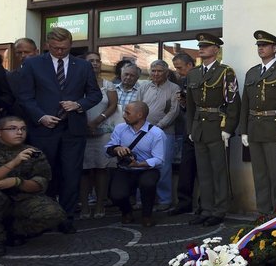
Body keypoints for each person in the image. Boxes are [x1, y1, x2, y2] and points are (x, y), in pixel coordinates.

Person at [14, 27, 102, 234]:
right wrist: (41, 116)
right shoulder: (33, 64)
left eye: (63, 48)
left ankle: (67, 218)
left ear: (70, 45)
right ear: (46, 45)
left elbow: (94, 95)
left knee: (71, 175)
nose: (60, 51)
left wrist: (78, 105)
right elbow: (25, 96)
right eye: (55, 48)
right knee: (45, 174)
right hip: (43, 129)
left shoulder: (82, 66)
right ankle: (45, 216)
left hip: (73, 130)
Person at [184, 33, 239, 227]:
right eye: (200, 45)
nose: (201, 48)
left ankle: (219, 209)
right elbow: (190, 105)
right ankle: (206, 208)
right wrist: (191, 127)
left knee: (218, 171)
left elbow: (233, 103)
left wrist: (228, 128)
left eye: (206, 46)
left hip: (217, 126)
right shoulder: (193, 74)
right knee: (204, 172)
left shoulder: (225, 72)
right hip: (199, 127)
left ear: (216, 49)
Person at [239, 30, 276, 216]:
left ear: (275, 48)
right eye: (259, 46)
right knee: (259, 174)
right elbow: (245, 102)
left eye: (264, 45)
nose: (261, 48)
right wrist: (243, 130)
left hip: (274, 129)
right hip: (254, 128)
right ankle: (263, 212)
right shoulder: (252, 72)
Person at [0, 116, 67, 255]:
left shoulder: (33, 152)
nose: (19, 132)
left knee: (54, 214)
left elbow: (40, 184)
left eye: (22, 129)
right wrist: (14, 163)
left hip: (23, 199)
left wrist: (17, 182)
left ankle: (15, 232)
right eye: (12, 129)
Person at [105, 101, 166, 227]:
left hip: (146, 169)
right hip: (125, 169)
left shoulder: (157, 133)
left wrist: (138, 164)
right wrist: (117, 149)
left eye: (127, 113)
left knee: (148, 183)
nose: (124, 115)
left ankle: (147, 215)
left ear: (139, 115)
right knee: (116, 195)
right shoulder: (120, 128)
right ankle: (127, 212)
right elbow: (108, 149)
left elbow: (159, 159)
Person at [78, 52, 118, 219]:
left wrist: (96, 122)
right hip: (81, 131)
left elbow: (113, 105)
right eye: (91, 60)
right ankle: (85, 206)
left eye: (97, 61)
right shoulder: (76, 83)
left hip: (102, 131)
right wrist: (85, 125)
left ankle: (101, 204)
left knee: (101, 169)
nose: (95, 63)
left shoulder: (108, 84)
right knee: (84, 170)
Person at [140, 59, 180, 210]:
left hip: (165, 133)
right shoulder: (144, 87)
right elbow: (138, 106)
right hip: (142, 132)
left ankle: (164, 200)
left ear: (166, 73)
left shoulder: (174, 88)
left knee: (163, 167)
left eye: (159, 71)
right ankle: (142, 199)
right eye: (153, 70)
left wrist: (158, 127)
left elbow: (174, 111)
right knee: (142, 165)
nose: (156, 74)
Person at [171, 52, 198, 215]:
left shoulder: (200, 77)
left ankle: (204, 204)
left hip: (202, 128)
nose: (178, 72)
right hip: (188, 128)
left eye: (180, 68)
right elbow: (188, 106)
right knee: (186, 167)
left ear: (189, 65)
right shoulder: (184, 80)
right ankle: (184, 202)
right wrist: (183, 103)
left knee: (204, 170)